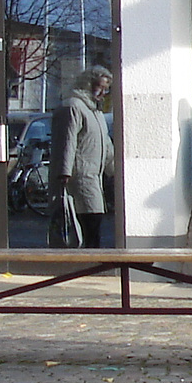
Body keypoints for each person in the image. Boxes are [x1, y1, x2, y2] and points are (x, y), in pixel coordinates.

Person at [49, 65, 114, 248]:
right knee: (91, 218)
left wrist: (116, 171)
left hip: (94, 173)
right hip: (79, 174)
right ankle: (87, 262)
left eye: (106, 88)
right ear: (88, 84)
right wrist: (64, 173)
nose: (103, 92)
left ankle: (90, 259)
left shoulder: (95, 111)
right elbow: (66, 141)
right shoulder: (73, 107)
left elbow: (106, 144)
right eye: (100, 87)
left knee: (94, 220)